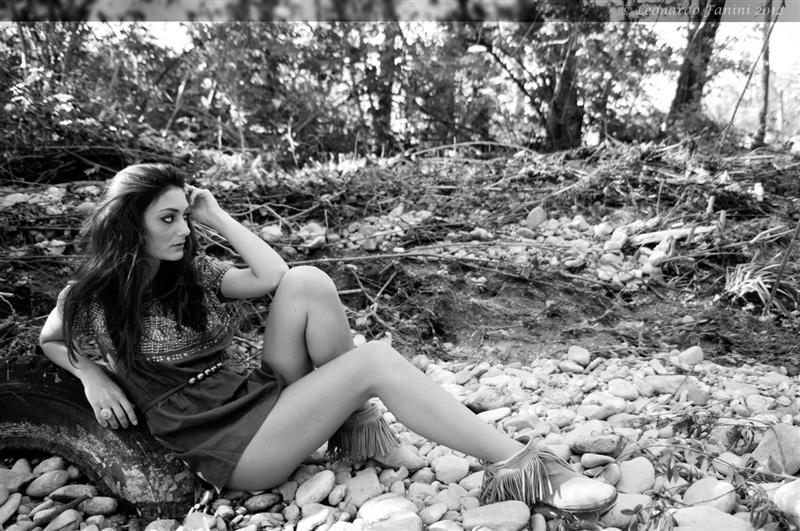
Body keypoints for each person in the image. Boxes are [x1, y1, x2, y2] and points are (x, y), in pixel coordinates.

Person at [39, 163, 617, 514]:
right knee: (374, 361)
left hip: (256, 398)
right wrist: (90, 375)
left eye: (183, 217)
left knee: (309, 281)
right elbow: (50, 339)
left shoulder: (192, 275)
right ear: (127, 223)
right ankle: (529, 471)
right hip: (231, 446)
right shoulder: (91, 298)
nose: (182, 230)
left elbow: (271, 276)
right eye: (168, 219)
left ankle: (358, 432)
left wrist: (215, 216)